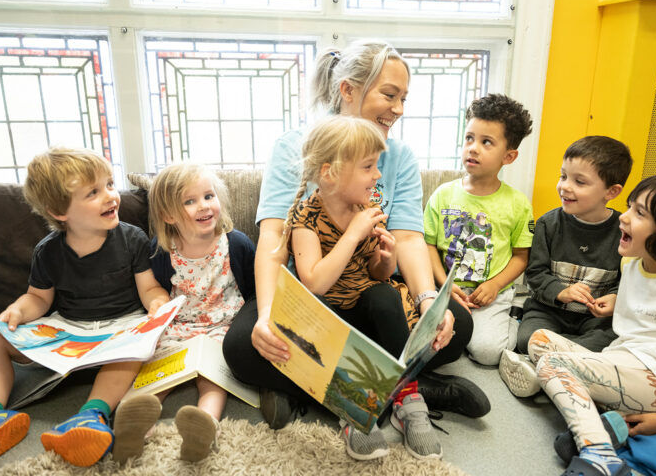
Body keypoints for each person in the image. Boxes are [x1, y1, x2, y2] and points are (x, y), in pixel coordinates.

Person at [222, 40, 489, 435]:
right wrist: (264, 317)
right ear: (347, 89)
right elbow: (274, 240)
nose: (398, 109)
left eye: (403, 98)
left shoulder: (398, 155)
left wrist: (429, 300)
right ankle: (415, 390)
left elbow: (410, 239)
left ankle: (310, 386)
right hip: (310, 293)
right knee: (243, 346)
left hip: (369, 296)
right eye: (389, 95)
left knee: (457, 325)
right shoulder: (296, 147)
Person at [529, 174, 656, 476]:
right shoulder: (633, 262)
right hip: (624, 358)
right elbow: (647, 307)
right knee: (539, 339)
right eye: (629, 207)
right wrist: (615, 301)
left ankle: (599, 453)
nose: (622, 217)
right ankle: (607, 421)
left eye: (639, 213)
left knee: (550, 364)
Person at [0, 148, 170, 467]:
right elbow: (39, 298)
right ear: (59, 211)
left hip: (119, 330)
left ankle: (90, 416)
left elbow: (149, 288)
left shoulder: (132, 239)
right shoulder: (48, 251)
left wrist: (158, 304)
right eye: (94, 192)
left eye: (110, 184)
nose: (111, 196)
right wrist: (17, 310)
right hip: (69, 331)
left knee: (135, 350)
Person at [284, 115, 442, 460]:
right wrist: (354, 232)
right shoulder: (305, 218)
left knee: (386, 295)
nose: (378, 175)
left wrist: (387, 257)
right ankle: (357, 408)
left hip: (365, 307)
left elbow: (378, 274)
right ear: (331, 173)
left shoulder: (366, 208)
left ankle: (407, 398)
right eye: (369, 166)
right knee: (313, 326)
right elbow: (314, 283)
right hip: (330, 316)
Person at [112, 163, 255, 463]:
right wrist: (156, 305)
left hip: (224, 326)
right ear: (169, 215)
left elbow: (257, 291)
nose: (203, 206)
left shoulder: (236, 244)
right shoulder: (163, 250)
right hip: (179, 326)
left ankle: (204, 425)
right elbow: (156, 290)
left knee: (214, 380)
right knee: (155, 371)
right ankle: (137, 423)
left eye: (208, 196)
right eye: (189, 201)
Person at [499, 136, 632, 397]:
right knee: (527, 337)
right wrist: (560, 292)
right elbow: (535, 273)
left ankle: (547, 365)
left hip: (594, 320)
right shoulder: (548, 224)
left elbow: (628, 280)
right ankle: (571, 365)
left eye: (579, 182)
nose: (565, 187)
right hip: (549, 310)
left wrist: (615, 297)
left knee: (612, 341)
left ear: (611, 191)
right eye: (563, 177)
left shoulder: (623, 232)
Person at [424, 93, 534, 367]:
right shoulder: (442, 194)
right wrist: (444, 286)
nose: (473, 148)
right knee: (429, 343)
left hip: (490, 296)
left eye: (486, 142)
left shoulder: (518, 204)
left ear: (509, 156)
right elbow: (426, 245)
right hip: (445, 291)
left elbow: (522, 256)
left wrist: (495, 285)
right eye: (469, 138)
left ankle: (513, 315)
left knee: (486, 354)